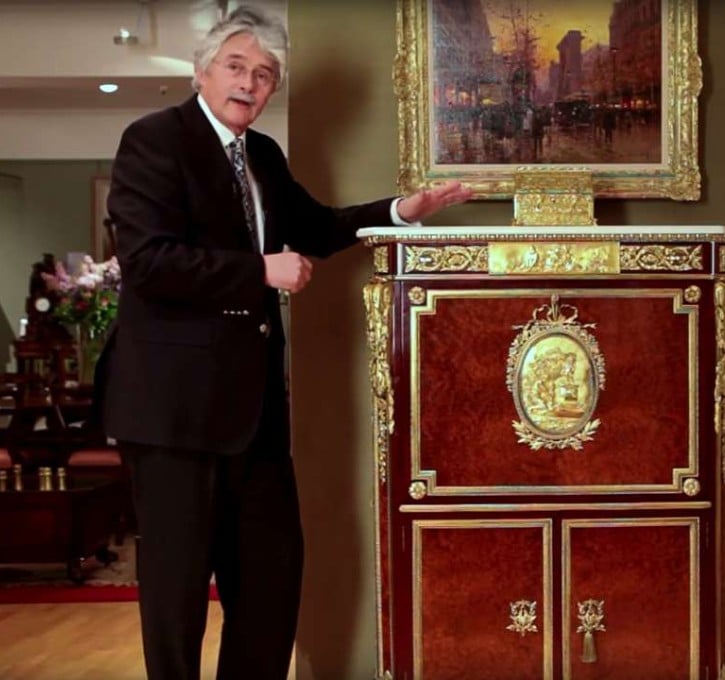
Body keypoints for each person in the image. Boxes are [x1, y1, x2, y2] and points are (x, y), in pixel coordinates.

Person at [94, 6, 471, 680]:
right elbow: (149, 262)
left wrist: (399, 213)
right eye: (236, 67)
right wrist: (259, 270)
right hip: (173, 414)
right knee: (177, 595)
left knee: (271, 582)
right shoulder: (153, 139)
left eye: (264, 75)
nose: (249, 83)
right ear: (202, 71)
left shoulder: (261, 153)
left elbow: (315, 226)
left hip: (257, 411)